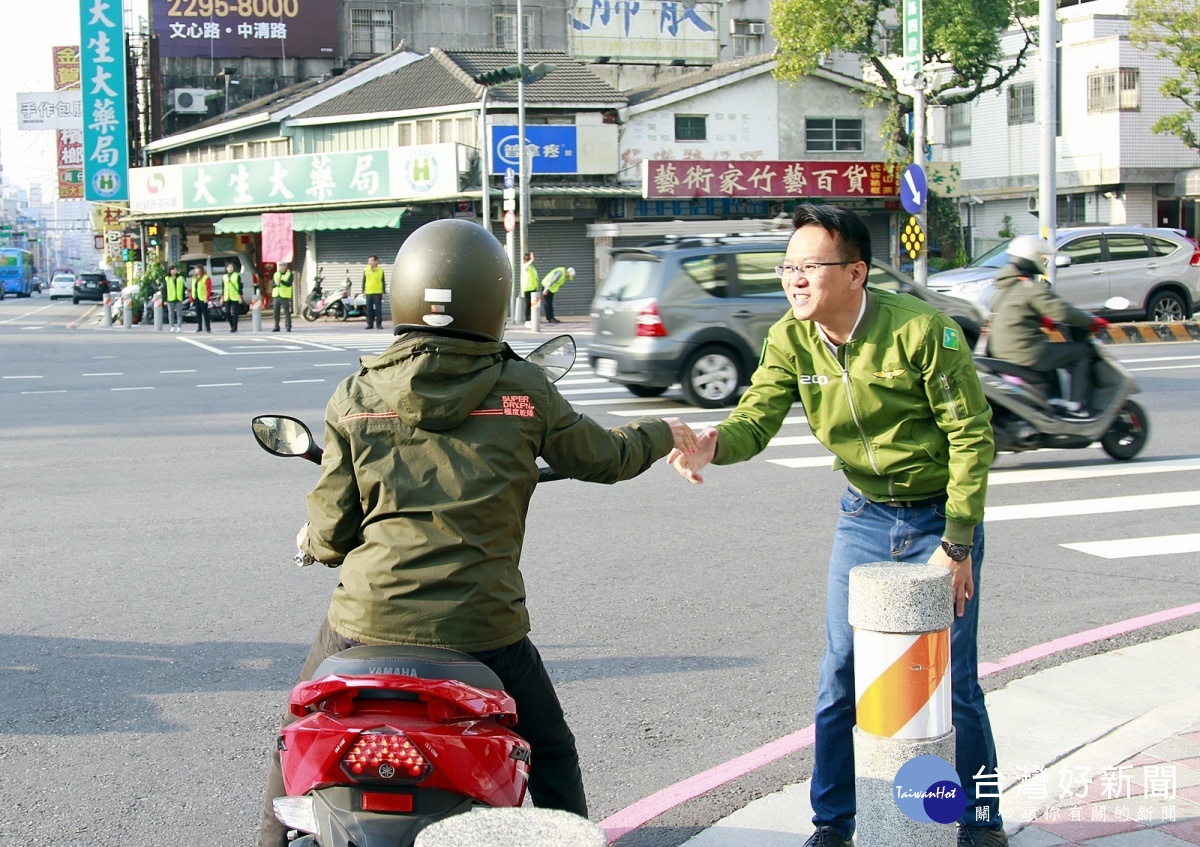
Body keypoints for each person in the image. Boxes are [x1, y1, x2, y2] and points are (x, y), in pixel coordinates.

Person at [256, 219, 696, 847]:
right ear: (493, 298)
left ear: (404, 291)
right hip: (486, 630)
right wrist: (660, 431)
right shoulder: (524, 390)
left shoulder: (356, 395)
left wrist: (320, 543)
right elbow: (604, 458)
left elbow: (329, 535)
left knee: (295, 735)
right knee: (550, 751)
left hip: (364, 620)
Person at [669, 205, 1006, 847]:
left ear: (855, 272)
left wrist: (958, 545)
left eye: (808, 267)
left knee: (952, 680)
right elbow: (754, 420)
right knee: (840, 673)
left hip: (940, 518)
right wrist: (711, 443)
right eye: (787, 267)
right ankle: (833, 823)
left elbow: (972, 436)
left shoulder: (923, 331)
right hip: (865, 516)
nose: (794, 280)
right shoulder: (789, 339)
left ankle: (981, 819)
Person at [986, 235, 1106, 419]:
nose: (1044, 262)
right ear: (1032, 257)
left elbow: (1016, 313)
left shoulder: (1003, 287)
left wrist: (1043, 321)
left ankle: (1053, 402)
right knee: (1083, 352)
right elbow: (1061, 311)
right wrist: (1091, 322)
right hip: (1024, 351)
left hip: (1002, 351)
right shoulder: (1028, 287)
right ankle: (1076, 406)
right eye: (1042, 257)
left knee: (1054, 355)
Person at [362, 254, 386, 329]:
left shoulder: (381, 270)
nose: (369, 262)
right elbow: (363, 281)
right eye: (369, 261)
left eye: (371, 260)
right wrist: (363, 291)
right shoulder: (366, 270)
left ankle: (379, 324)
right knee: (369, 309)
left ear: (376, 261)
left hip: (378, 292)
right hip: (369, 292)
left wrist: (383, 292)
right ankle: (370, 324)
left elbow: (383, 281)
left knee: (378, 309)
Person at [271, 261, 293, 332]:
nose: (281, 267)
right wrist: (276, 284)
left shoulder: (289, 274)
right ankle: (276, 326)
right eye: (280, 266)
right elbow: (272, 284)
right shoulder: (276, 274)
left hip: (285, 296)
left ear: (285, 266)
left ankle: (288, 326)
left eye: (282, 266)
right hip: (276, 295)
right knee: (275, 312)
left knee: (286, 312)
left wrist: (281, 281)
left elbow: (289, 283)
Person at [222, 260, 242, 333]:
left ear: (233, 268)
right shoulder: (224, 277)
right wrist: (222, 297)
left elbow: (240, 287)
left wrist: (240, 297)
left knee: (235, 313)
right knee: (227, 312)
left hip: (235, 296)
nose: (229, 268)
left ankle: (234, 327)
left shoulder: (237, 275)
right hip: (227, 296)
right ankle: (232, 325)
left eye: (231, 267)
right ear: (226, 268)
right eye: (228, 267)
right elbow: (223, 287)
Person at [164, 264, 185, 333]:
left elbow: (183, 288)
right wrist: (165, 299)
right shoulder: (167, 278)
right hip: (170, 298)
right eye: (173, 269)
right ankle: (172, 326)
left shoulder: (180, 278)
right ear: (170, 271)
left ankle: (179, 327)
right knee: (171, 313)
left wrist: (183, 297)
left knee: (179, 313)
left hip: (179, 298)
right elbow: (164, 290)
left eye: (175, 269)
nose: (174, 271)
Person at [190, 264, 212, 333]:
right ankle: (199, 327)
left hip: (203, 298)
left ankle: (208, 327)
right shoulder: (194, 278)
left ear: (201, 269)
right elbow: (192, 289)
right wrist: (191, 299)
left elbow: (208, 289)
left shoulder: (206, 277)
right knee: (198, 313)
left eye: (197, 269)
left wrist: (207, 298)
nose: (196, 271)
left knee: (205, 313)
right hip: (196, 297)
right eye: (195, 269)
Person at [521, 251, 539, 325]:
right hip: (527, 288)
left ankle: (533, 318)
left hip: (534, 288)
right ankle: (527, 319)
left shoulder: (532, 267)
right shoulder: (525, 266)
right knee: (528, 304)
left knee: (534, 305)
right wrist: (531, 260)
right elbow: (526, 266)